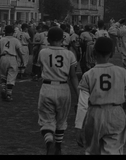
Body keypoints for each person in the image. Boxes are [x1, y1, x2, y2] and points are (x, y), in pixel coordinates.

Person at [75, 37, 126, 155]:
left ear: (94, 53)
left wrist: (78, 127)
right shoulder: (122, 72)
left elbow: (82, 104)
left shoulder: (88, 74)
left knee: (92, 151)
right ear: (112, 53)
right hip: (116, 113)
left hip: (95, 115)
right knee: (113, 151)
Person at [37, 27, 79, 155]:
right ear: (63, 39)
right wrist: (79, 95)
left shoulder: (43, 52)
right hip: (63, 88)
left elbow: (40, 69)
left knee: (46, 120)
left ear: (48, 39)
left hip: (47, 87)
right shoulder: (69, 54)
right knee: (61, 120)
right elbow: (73, 76)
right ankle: (58, 147)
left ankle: (49, 142)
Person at [0, 25, 24, 102]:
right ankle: (8, 94)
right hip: (12, 58)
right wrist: (21, 60)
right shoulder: (15, 40)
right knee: (11, 77)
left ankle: (3, 88)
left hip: (2, 57)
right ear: (12, 32)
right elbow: (18, 51)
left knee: (3, 75)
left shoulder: (1, 39)